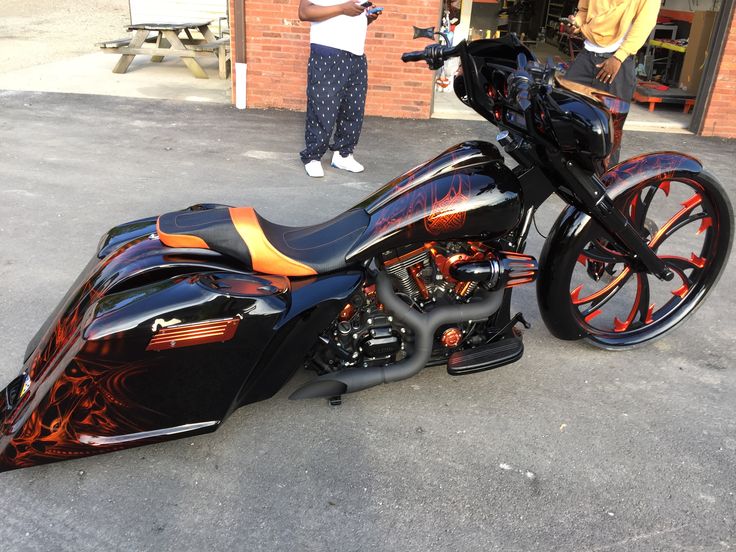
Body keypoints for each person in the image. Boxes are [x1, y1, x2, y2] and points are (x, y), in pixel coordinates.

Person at [565, 0, 659, 164]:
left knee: (610, 131)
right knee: (566, 114)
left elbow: (643, 24)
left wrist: (618, 57)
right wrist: (576, 23)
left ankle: (606, 184)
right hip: (587, 56)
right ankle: (571, 177)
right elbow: (584, 10)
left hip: (617, 63)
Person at [298, 0, 381, 178]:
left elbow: (350, 19)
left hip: (356, 54)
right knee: (322, 106)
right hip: (327, 51)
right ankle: (312, 157)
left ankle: (343, 154)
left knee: (353, 108)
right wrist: (343, 8)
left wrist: (368, 18)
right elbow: (304, 12)